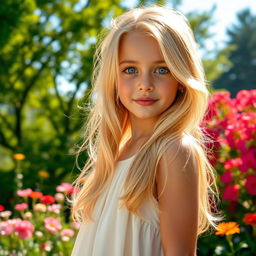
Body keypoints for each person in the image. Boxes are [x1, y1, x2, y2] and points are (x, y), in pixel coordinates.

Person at [69, 5, 223, 256]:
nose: (144, 84)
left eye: (162, 70)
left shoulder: (174, 151)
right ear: (113, 78)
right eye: (130, 70)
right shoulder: (116, 152)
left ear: (181, 80)